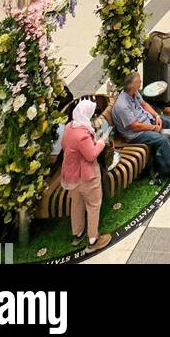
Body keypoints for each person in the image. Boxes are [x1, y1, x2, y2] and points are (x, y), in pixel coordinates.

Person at [112, 71, 170, 177]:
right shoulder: (122, 106)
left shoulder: (134, 92)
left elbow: (144, 105)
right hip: (136, 134)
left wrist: (157, 116)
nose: (141, 82)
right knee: (161, 139)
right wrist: (154, 127)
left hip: (146, 120)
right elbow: (135, 126)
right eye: (139, 81)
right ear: (132, 86)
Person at [61, 97, 111, 253]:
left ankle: (77, 233)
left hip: (71, 176)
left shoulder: (69, 127)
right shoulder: (82, 135)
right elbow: (91, 155)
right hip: (86, 177)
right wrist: (102, 141)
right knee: (93, 205)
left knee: (76, 204)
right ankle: (93, 239)